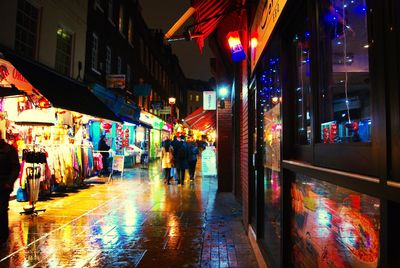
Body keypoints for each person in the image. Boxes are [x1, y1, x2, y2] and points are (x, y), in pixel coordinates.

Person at [0, 130, 20, 245]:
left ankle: (3, 237)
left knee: (2, 211)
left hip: (3, 186)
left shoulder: (9, 150)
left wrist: (9, 183)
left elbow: (15, 168)